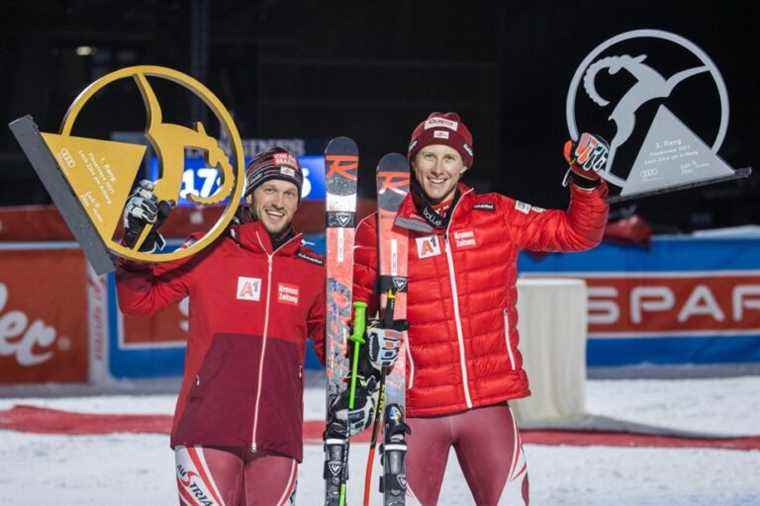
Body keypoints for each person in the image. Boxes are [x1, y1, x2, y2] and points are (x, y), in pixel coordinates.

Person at [351, 112, 610, 505]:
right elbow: (346, 313)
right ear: (413, 161)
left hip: (487, 404)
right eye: (429, 156)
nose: (438, 169)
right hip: (414, 408)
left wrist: (586, 183)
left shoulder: (497, 214)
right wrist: (365, 346)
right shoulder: (378, 229)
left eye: (449, 158)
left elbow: (576, 233)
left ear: (465, 164)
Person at [117, 147, 333, 505]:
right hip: (206, 431)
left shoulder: (312, 268)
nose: (279, 201)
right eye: (270, 190)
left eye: (289, 193)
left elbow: (334, 352)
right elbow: (139, 303)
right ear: (250, 195)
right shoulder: (209, 250)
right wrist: (134, 241)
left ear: (297, 203)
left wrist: (364, 339)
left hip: (278, 438)